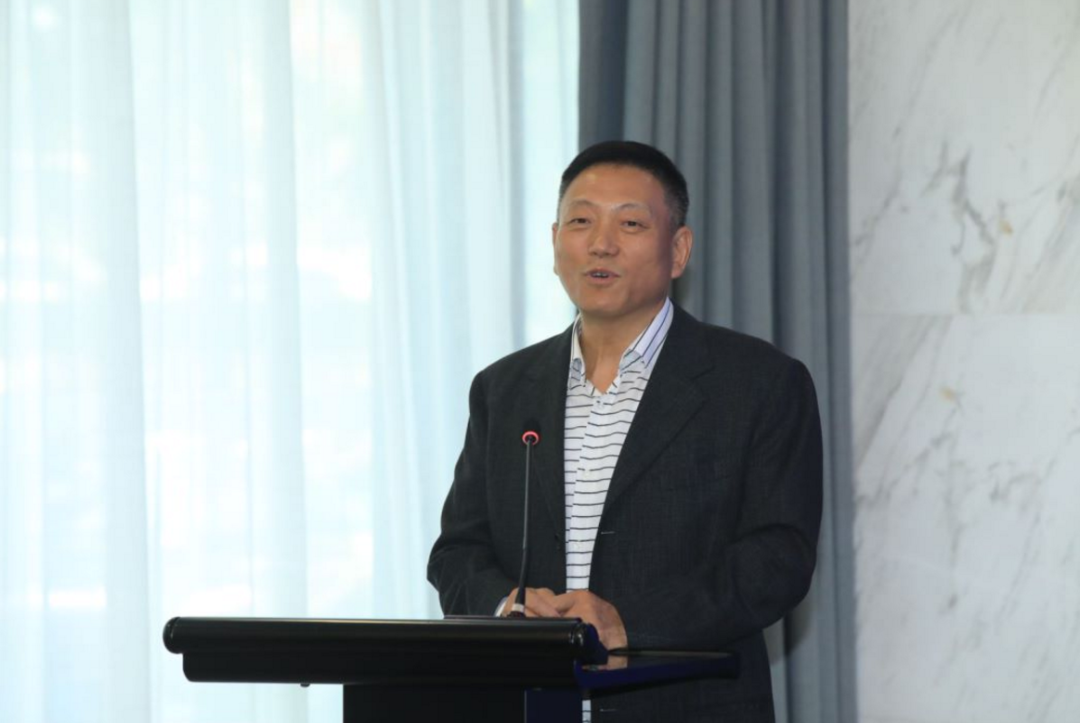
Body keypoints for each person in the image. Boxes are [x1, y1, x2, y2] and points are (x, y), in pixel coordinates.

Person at [427, 140, 823, 722]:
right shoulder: (504, 389)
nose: (601, 243)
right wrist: (507, 605)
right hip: (530, 706)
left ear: (678, 249)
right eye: (581, 221)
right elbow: (458, 551)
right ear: (555, 242)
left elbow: (777, 559)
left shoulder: (758, 383)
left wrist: (628, 622)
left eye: (630, 223)